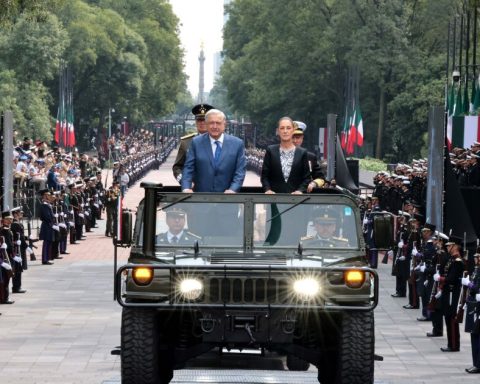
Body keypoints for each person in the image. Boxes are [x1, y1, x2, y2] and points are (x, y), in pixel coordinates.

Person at [181, 109, 246, 193]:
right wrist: (186, 187)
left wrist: (233, 189)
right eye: (211, 123)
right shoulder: (196, 142)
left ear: (224, 124)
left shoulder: (237, 144)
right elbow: (188, 168)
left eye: (218, 123)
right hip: (201, 199)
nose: (214, 126)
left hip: (228, 200)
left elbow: (240, 171)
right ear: (206, 124)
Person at [261, 117, 311, 194]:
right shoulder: (271, 150)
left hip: (296, 200)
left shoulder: (302, 153)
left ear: (293, 130)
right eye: (282, 128)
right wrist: (267, 189)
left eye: (288, 128)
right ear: (278, 131)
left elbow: (306, 178)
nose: (285, 131)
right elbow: (264, 176)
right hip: (273, 199)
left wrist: (300, 190)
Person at [435, 235, 465, 352]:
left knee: (452, 318)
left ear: (455, 246)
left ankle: (453, 345)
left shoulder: (458, 261)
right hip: (448, 292)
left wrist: (441, 279)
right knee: (448, 318)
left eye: (449, 245)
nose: (447, 247)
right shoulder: (451, 259)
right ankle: (450, 343)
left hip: (453, 293)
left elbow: (451, 278)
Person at [172, 103, 214, 183]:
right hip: (192, 189)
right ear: (196, 122)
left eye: (204, 120)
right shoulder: (186, 142)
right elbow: (177, 167)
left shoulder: (219, 141)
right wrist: (184, 182)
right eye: (199, 120)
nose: (202, 123)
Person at [291, 122, 325, 192]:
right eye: (292, 137)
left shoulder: (310, 157)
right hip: (283, 197)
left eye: (297, 138)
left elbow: (321, 178)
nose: (295, 141)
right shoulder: (279, 155)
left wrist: (314, 183)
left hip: (305, 198)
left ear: (302, 138)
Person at [463, 250, 480, 373]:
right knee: (473, 334)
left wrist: (469, 284)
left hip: (478, 306)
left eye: (477, 257)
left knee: (478, 335)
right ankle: (476, 363)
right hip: (473, 305)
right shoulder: (477, 270)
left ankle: (478, 364)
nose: (475, 259)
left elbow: (476, 287)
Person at [38, 189, 55, 265]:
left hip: (49, 224)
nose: (49, 196)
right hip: (47, 224)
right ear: (44, 196)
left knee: (49, 242)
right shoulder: (44, 205)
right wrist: (53, 219)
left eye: (49, 195)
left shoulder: (47, 204)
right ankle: (45, 259)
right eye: (47, 195)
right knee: (46, 242)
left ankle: (47, 258)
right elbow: (46, 216)